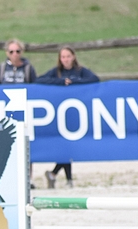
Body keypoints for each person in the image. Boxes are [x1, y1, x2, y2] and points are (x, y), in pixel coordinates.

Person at [36, 46, 99, 188]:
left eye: (68, 56)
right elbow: (39, 80)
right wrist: (60, 82)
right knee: (64, 146)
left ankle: (55, 174)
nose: (66, 59)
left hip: (76, 113)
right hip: (60, 113)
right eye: (63, 57)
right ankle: (65, 178)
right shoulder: (57, 72)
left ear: (74, 57)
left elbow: (94, 79)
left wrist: (75, 82)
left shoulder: (80, 71)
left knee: (69, 146)